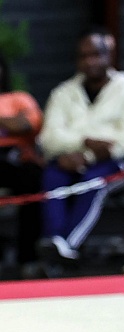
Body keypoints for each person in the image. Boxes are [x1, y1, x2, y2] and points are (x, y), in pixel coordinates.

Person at [36, 28, 124, 265]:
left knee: (93, 182)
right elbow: (48, 138)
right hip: (70, 159)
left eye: (96, 55)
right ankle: (55, 240)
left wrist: (90, 154)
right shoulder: (63, 93)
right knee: (52, 177)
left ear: (109, 56)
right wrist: (84, 143)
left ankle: (66, 244)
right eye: (84, 56)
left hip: (113, 162)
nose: (90, 62)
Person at [0, 51, 43, 275]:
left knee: (34, 180)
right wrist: (10, 122)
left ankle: (29, 257)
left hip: (16, 159)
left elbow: (26, 125)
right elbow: (15, 124)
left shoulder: (19, 99)